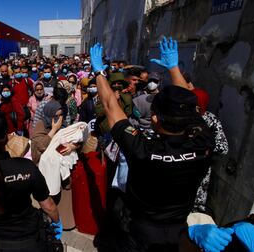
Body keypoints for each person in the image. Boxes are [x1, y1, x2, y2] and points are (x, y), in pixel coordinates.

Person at [90, 38, 225, 251]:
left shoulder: (142, 149)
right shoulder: (203, 143)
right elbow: (189, 106)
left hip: (140, 231)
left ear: (154, 119)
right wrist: (174, 67)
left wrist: (98, 73)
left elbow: (109, 105)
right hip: (180, 229)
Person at [0, 110, 62, 252]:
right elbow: (49, 206)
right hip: (31, 240)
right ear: (7, 137)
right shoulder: (27, 167)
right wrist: (57, 223)